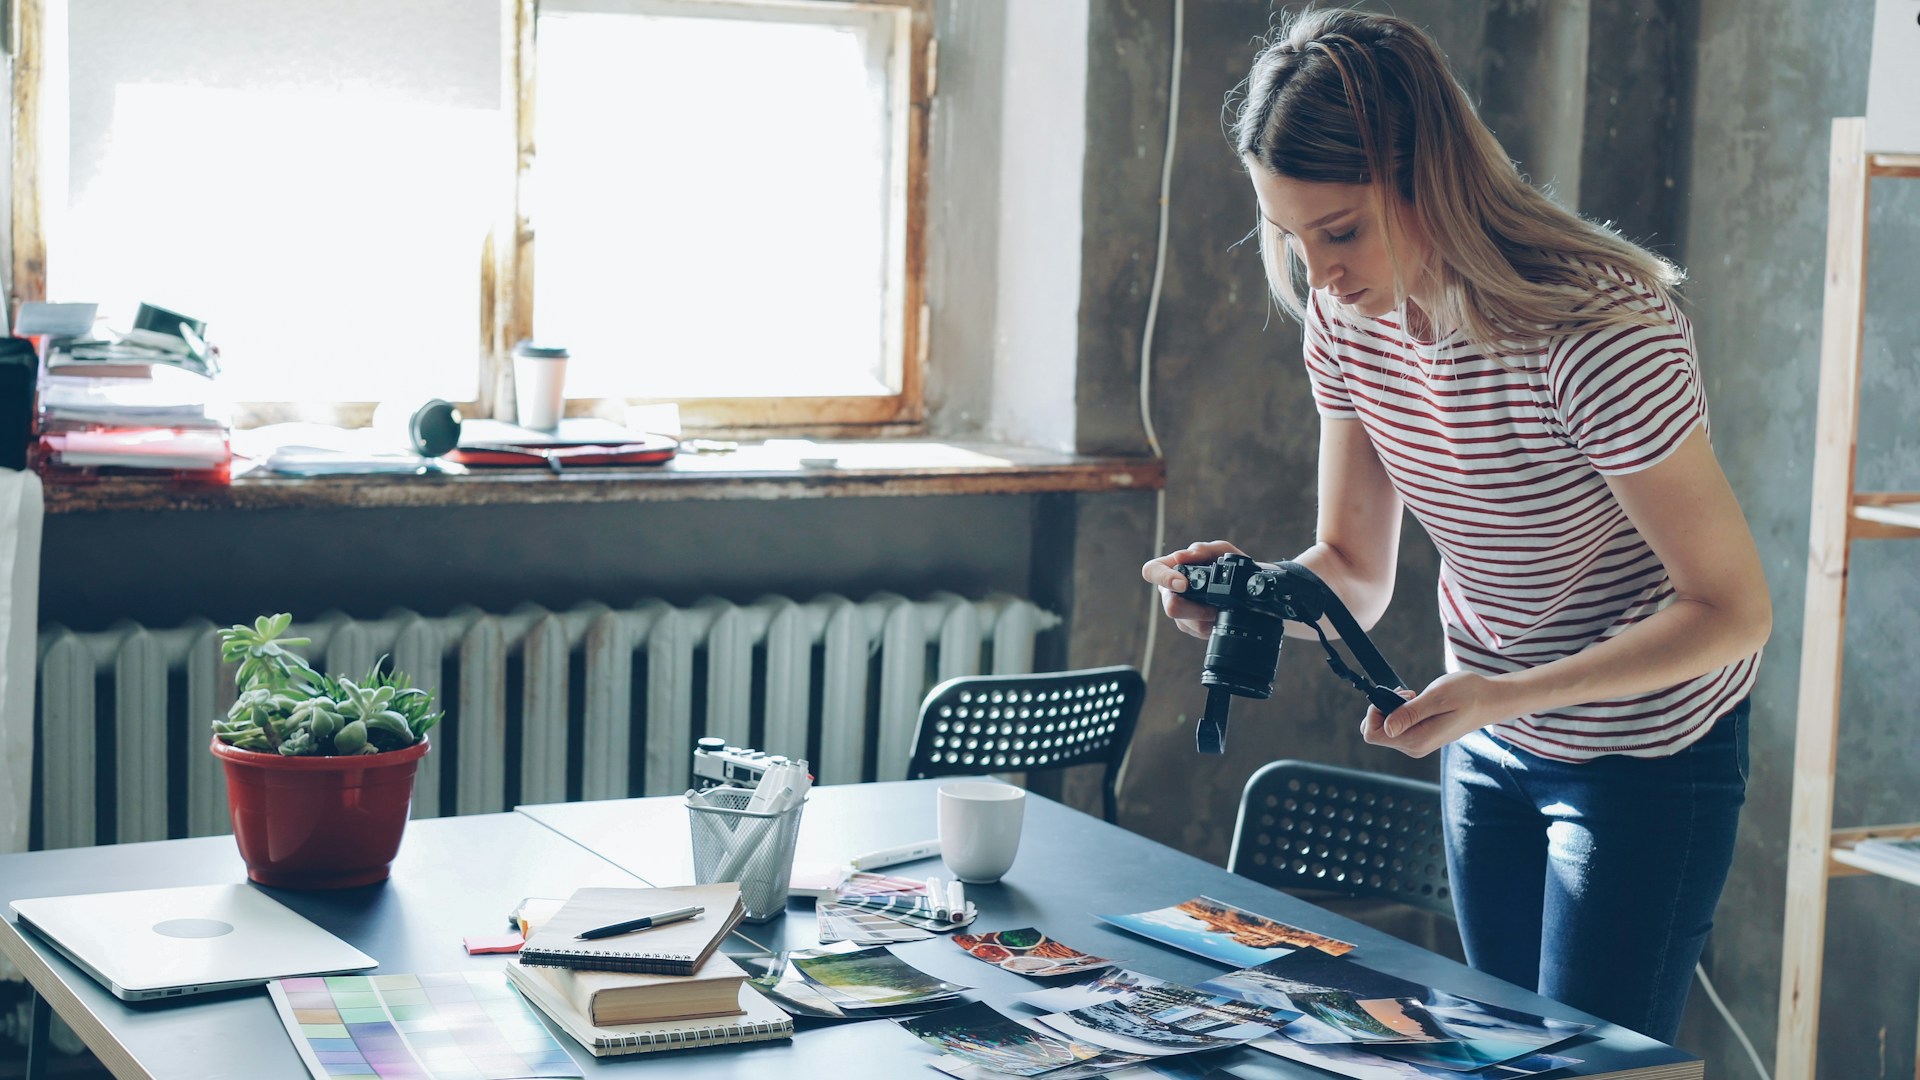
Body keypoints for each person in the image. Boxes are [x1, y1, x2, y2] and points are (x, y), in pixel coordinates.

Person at [1142, 8, 1770, 1043]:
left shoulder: (1599, 331)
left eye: (1339, 230)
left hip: (1645, 753)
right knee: (1502, 1052)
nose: (1319, 274)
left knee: (1583, 1064)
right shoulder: (1346, 321)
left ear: (1427, 172)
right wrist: (1260, 598)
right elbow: (1351, 565)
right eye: (1290, 236)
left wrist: (1510, 694)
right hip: (1486, 735)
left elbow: (1733, 609)